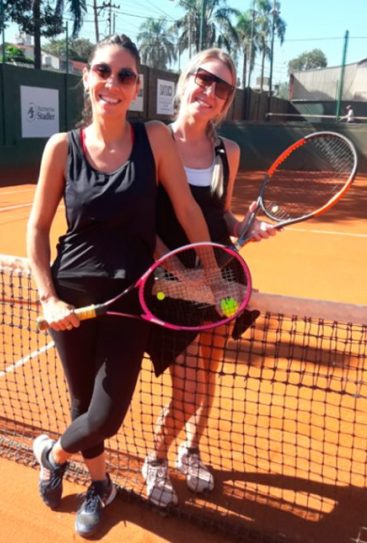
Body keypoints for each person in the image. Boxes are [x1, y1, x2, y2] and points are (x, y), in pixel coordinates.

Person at [26, 34, 216, 538]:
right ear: (87, 78)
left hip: (132, 297)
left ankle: (52, 455)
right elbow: (38, 228)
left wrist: (211, 272)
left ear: (136, 88)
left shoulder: (154, 139)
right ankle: (100, 485)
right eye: (103, 71)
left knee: (106, 415)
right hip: (70, 295)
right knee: (81, 403)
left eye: (125, 75)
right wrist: (49, 297)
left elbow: (186, 208)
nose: (112, 83)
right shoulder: (60, 148)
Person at [141, 49, 276, 508]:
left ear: (227, 100)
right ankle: (156, 458)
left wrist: (246, 227)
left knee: (210, 371)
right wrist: (178, 271)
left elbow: (221, 215)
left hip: (222, 281)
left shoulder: (228, 152)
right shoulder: (154, 141)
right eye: (204, 79)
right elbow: (143, 222)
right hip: (173, 284)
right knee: (189, 388)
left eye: (222, 87)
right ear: (186, 80)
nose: (210, 91)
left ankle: (191, 449)